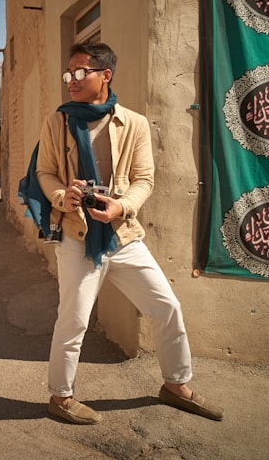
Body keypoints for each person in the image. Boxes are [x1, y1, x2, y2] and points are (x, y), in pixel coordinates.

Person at [35, 42, 223, 424]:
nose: (71, 80)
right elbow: (45, 172)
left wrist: (121, 206)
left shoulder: (133, 123)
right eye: (68, 74)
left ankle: (175, 385)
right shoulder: (57, 122)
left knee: (166, 306)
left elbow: (144, 179)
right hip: (76, 233)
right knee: (74, 319)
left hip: (122, 236)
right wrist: (62, 195)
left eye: (80, 72)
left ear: (105, 75)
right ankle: (61, 396)